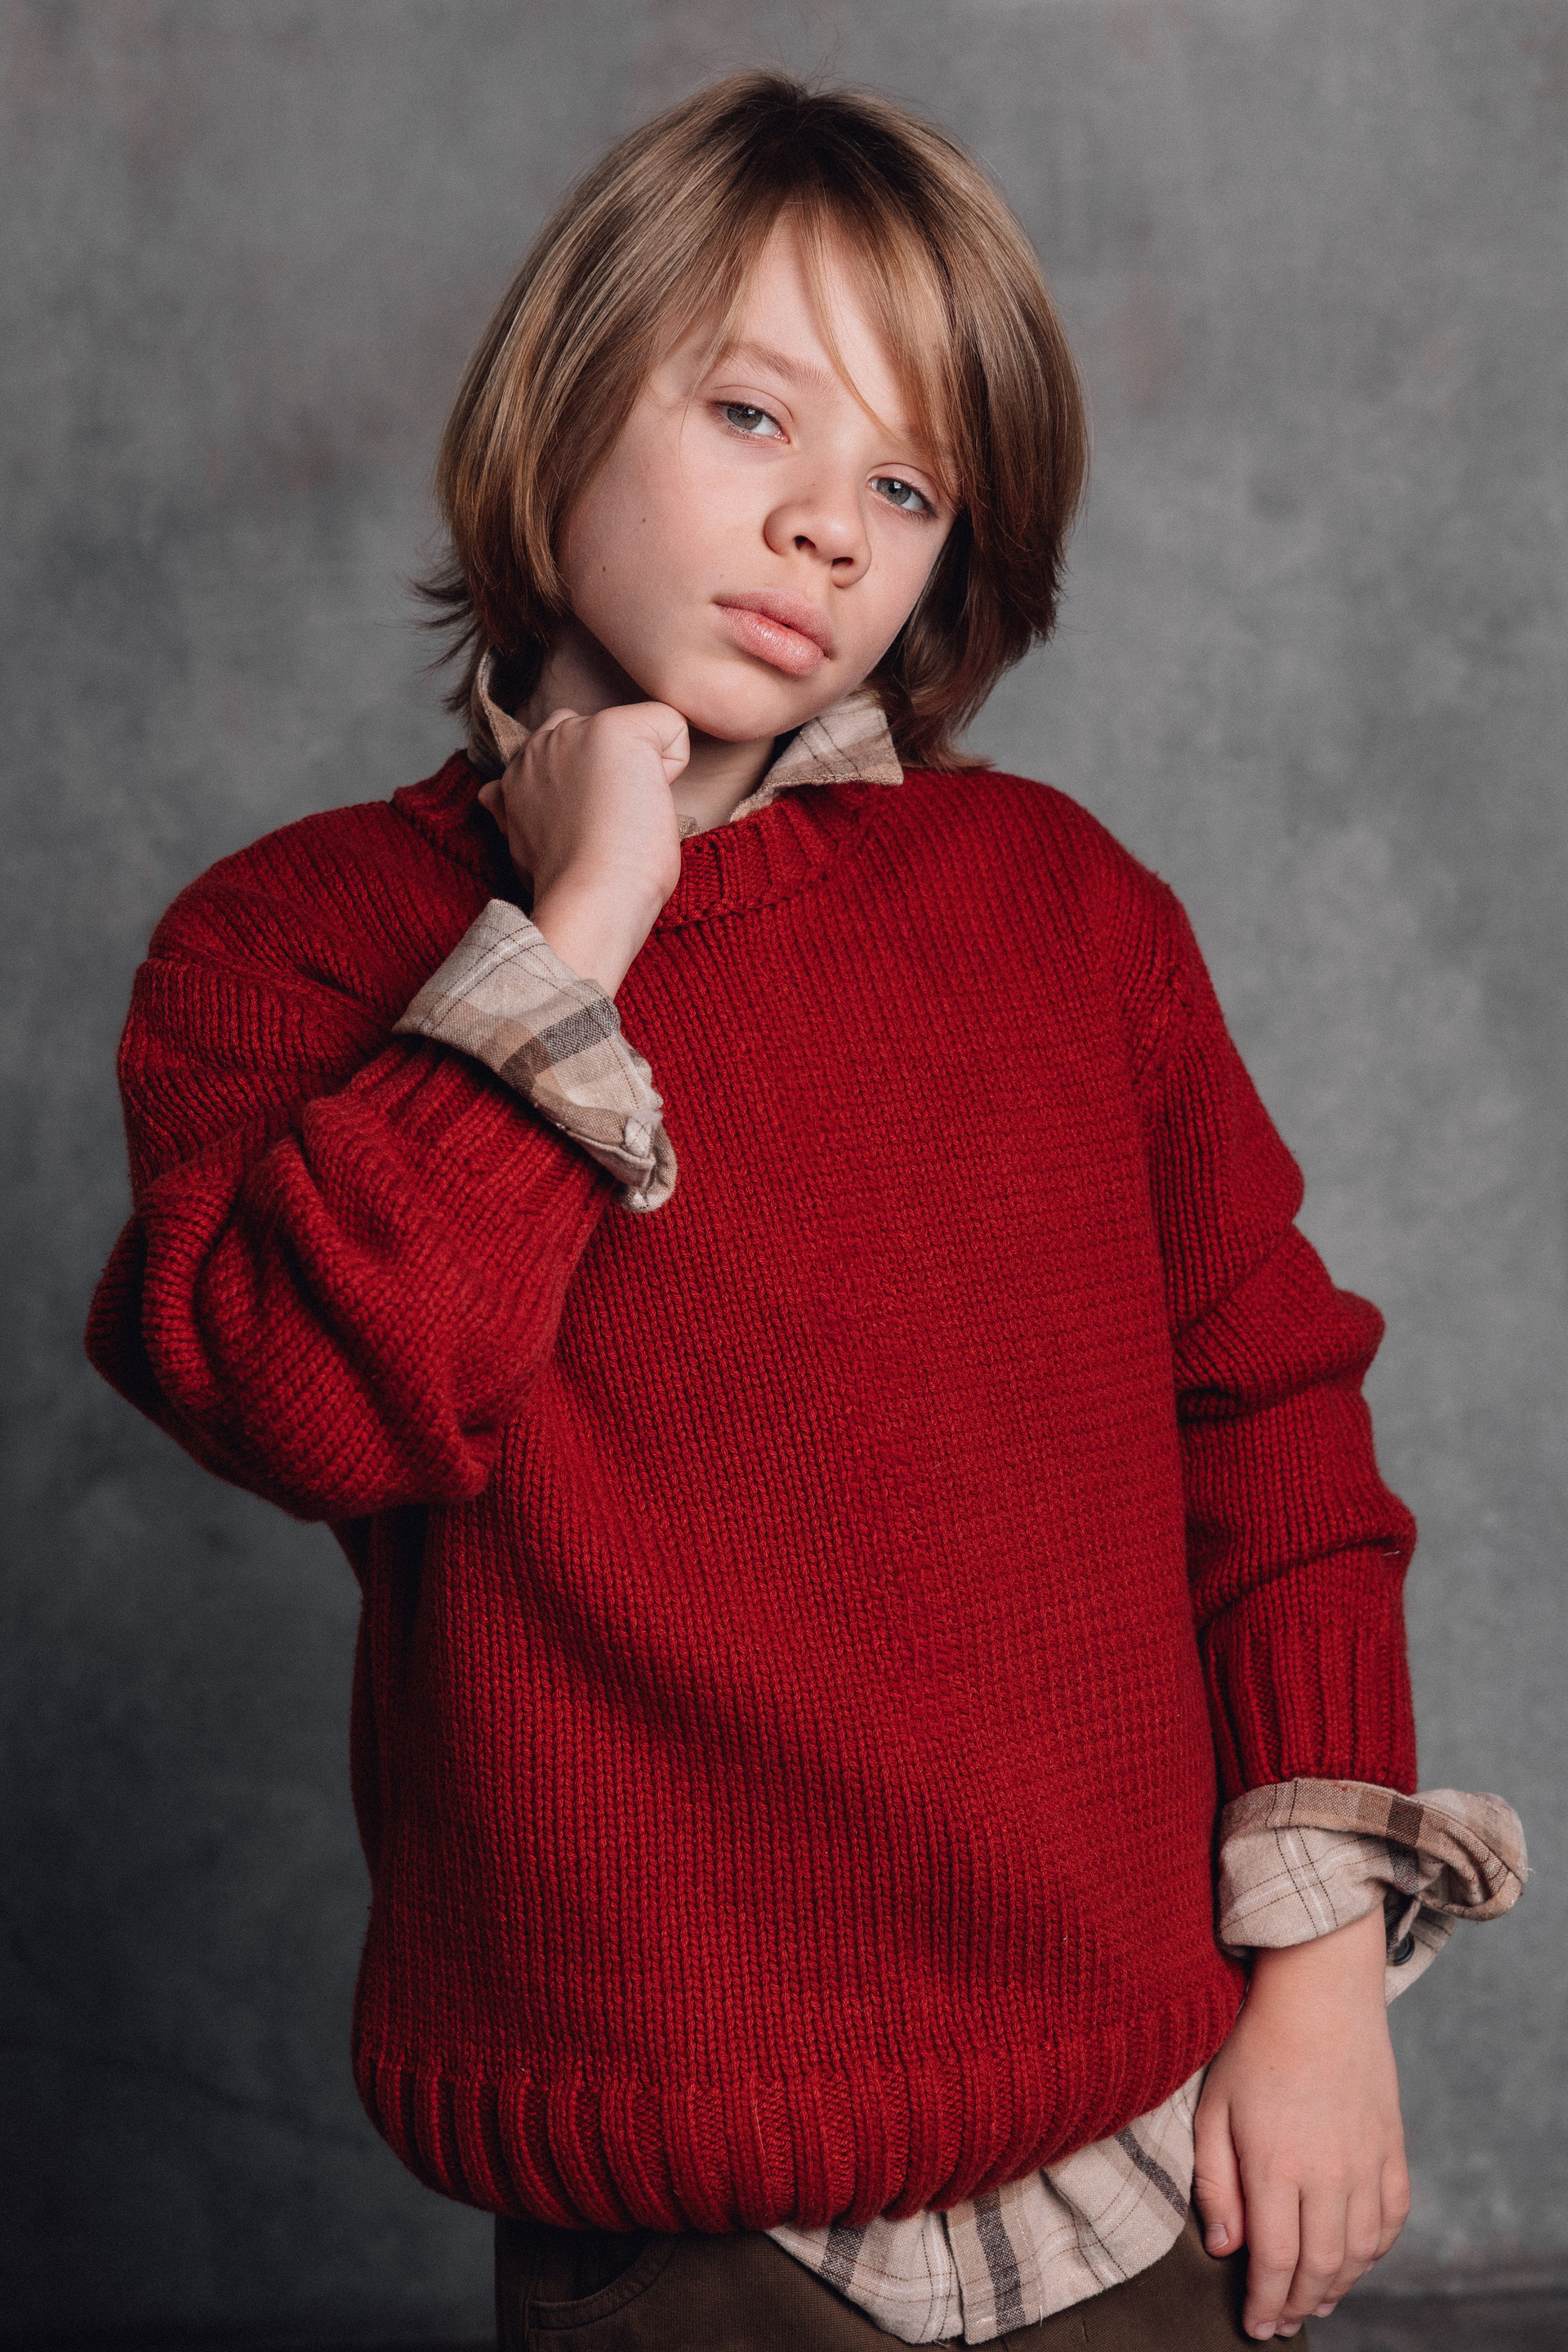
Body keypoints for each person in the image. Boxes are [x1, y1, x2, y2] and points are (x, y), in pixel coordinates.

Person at [86, 71, 1525, 2352]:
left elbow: (1270, 1422)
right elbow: (309, 1401)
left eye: (905, 483)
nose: (827, 531)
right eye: (752, 414)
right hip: (684, 2215)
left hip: (1151, 2156)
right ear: (564, 400)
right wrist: (575, 930)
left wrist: (1325, 1982)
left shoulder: (1063, 911)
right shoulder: (292, 947)